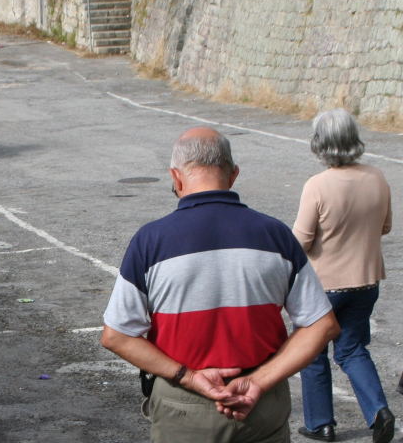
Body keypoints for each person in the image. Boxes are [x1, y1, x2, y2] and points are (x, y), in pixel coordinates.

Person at [102, 127, 340, 443]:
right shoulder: (276, 236)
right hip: (260, 406)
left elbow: (117, 335)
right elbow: (322, 325)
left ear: (176, 177)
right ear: (233, 175)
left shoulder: (150, 242)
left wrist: (186, 377)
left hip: (184, 408)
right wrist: (259, 381)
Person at [293, 109, 395, 443]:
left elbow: (301, 241)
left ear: (320, 143)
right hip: (366, 280)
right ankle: (379, 411)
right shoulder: (376, 176)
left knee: (312, 350)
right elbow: (385, 226)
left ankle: (322, 423)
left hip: (324, 285)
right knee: (352, 349)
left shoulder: (317, 186)